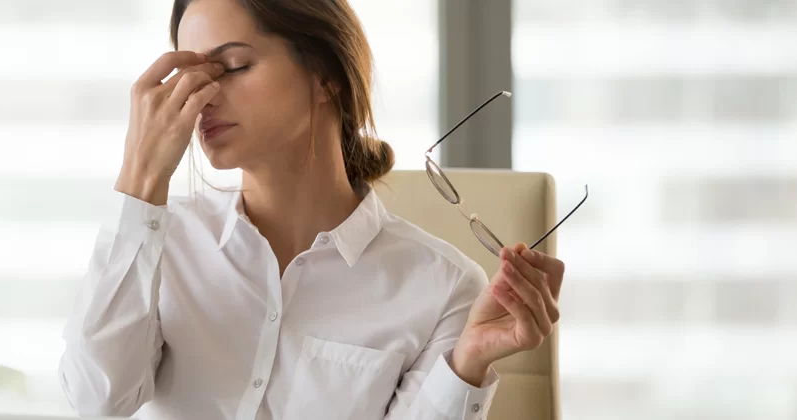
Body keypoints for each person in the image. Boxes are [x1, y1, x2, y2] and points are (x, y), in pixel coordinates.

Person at [58, 0, 566, 419]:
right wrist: (140, 181)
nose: (202, 99)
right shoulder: (159, 241)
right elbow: (98, 399)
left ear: (327, 76)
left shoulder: (444, 287)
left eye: (232, 67)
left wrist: (466, 366)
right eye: (190, 78)